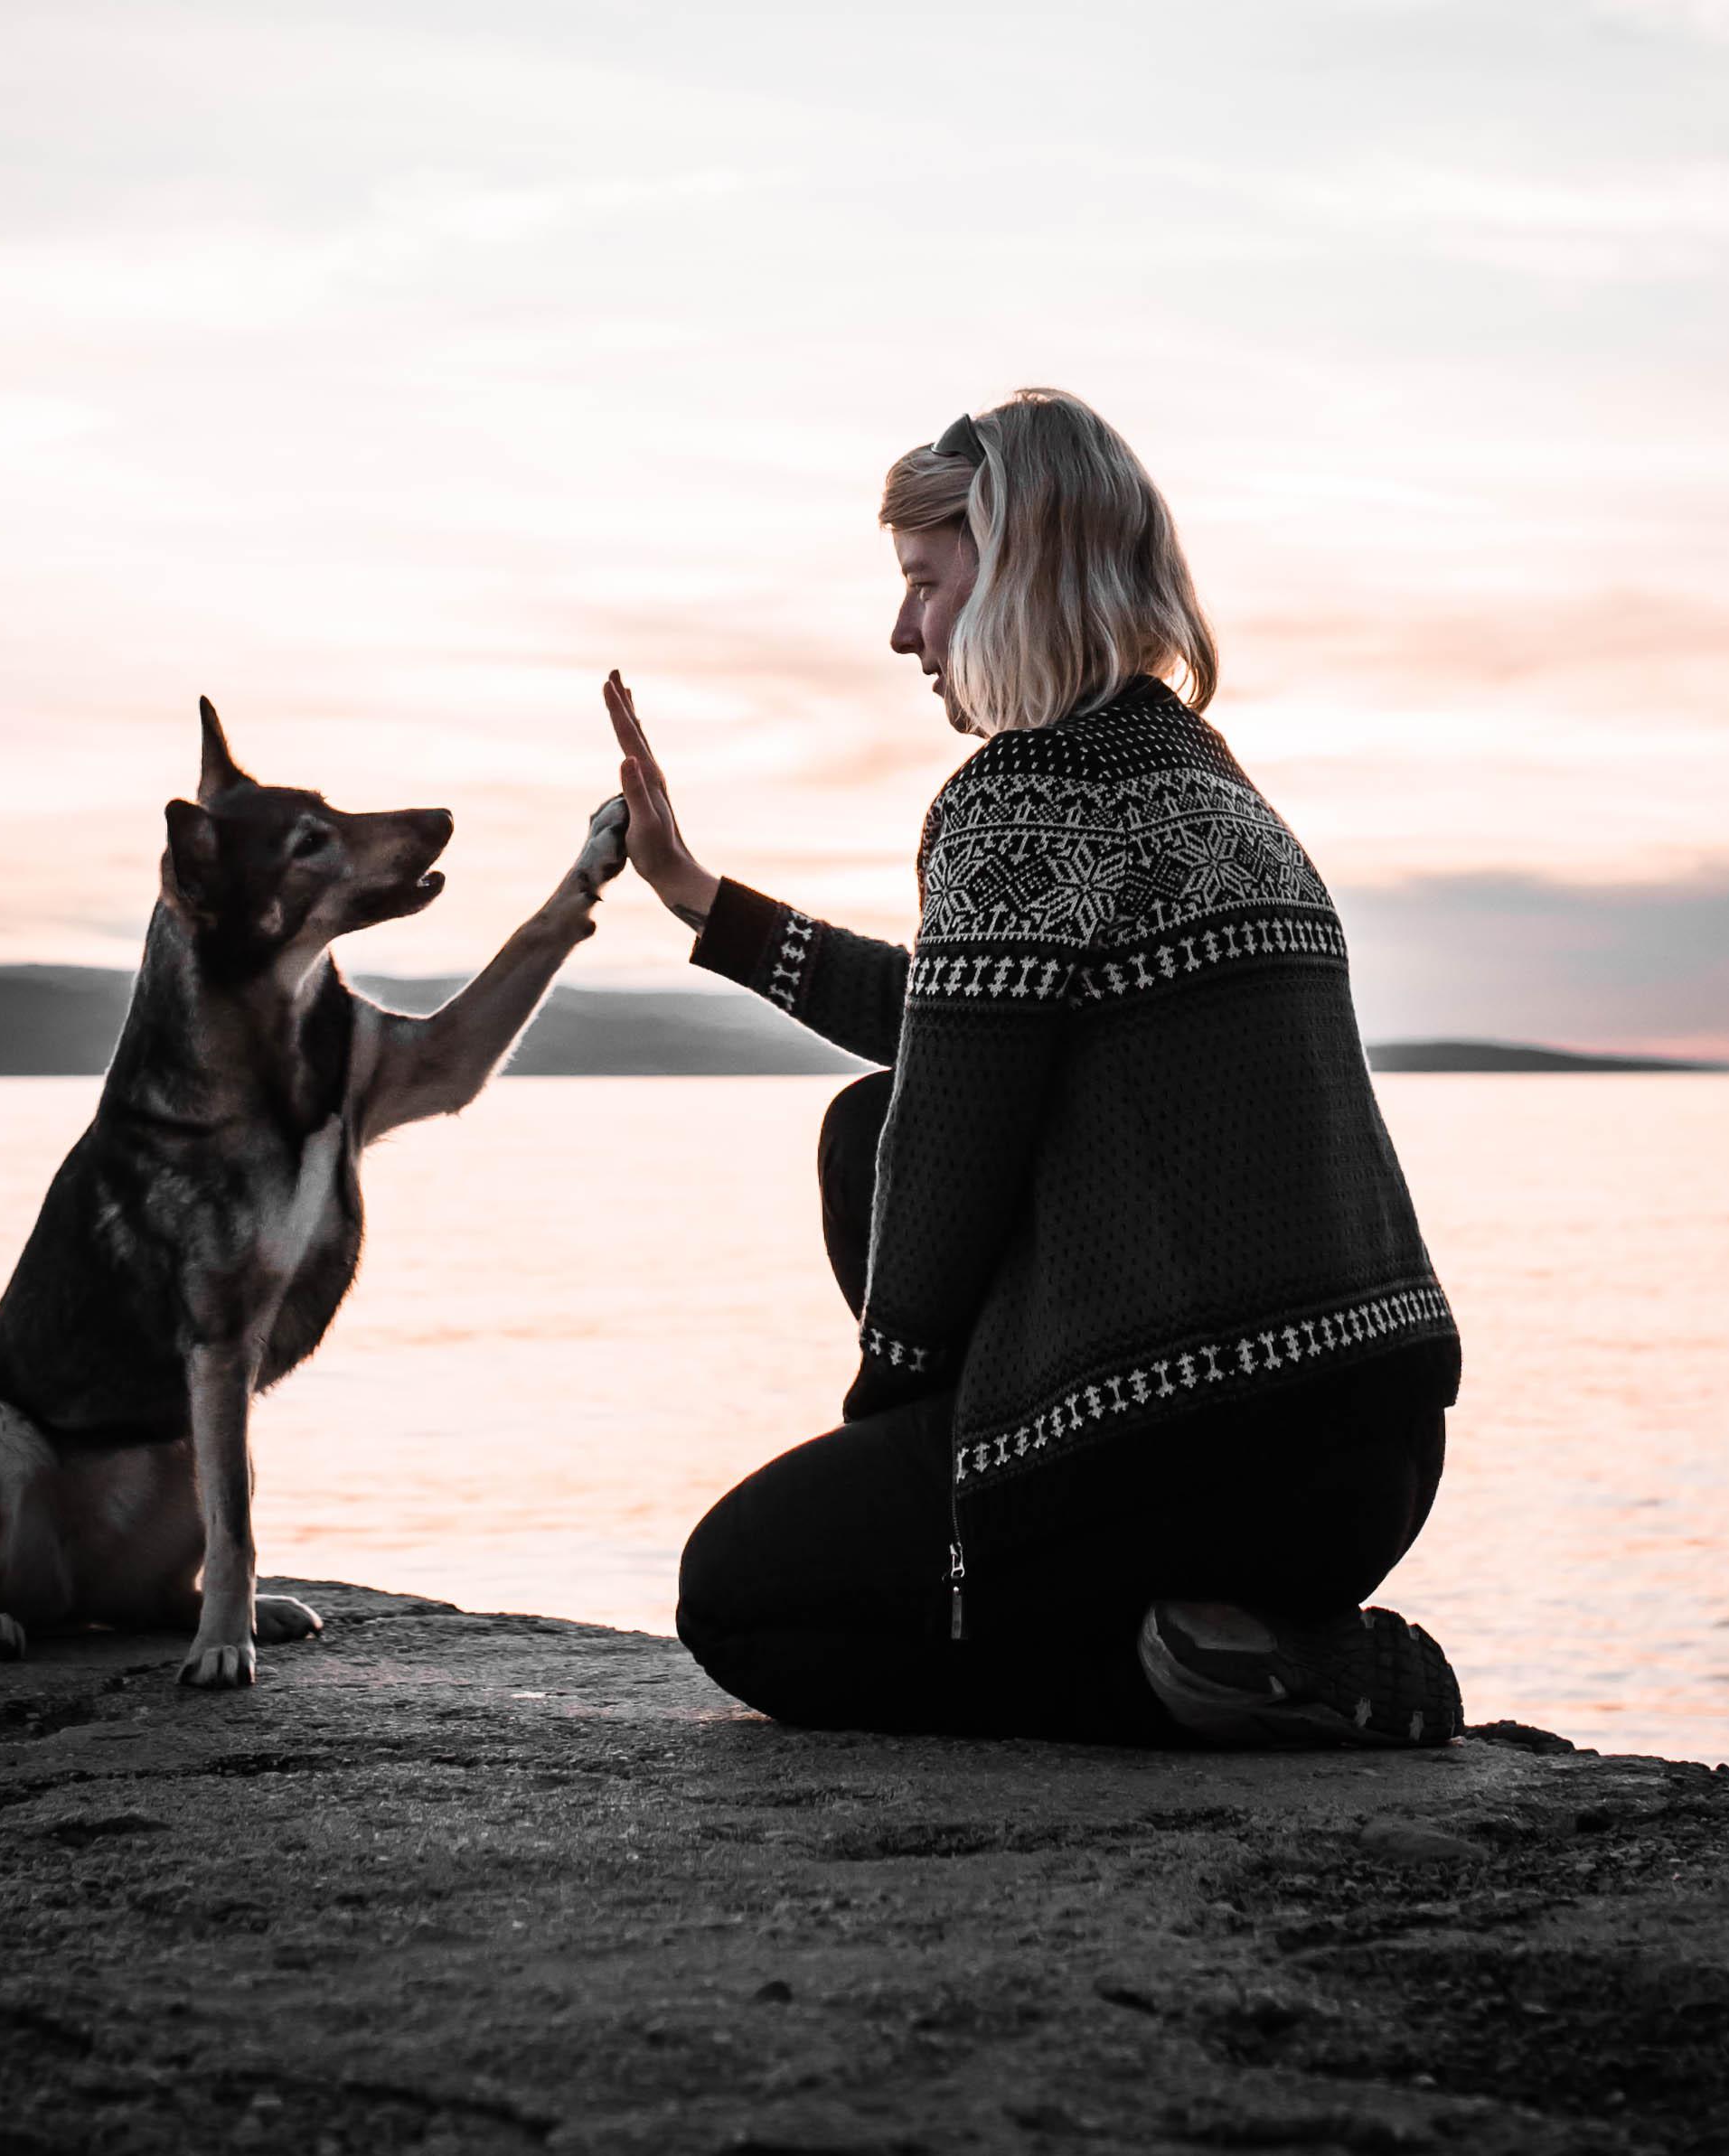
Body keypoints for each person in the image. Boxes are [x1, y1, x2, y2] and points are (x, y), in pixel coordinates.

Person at [606, 389, 1464, 1747]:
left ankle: (1189, 1680)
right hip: (1373, 1456)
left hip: (1201, 1456)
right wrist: (701, 899)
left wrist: (904, 1458)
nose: (903, 632)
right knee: (862, 1125)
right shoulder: (1216, 785)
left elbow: (944, 1176)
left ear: (1012, 578)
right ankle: (1269, 1639)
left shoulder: (1019, 798)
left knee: (744, 1599)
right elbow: (959, 1021)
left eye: (925, 586)